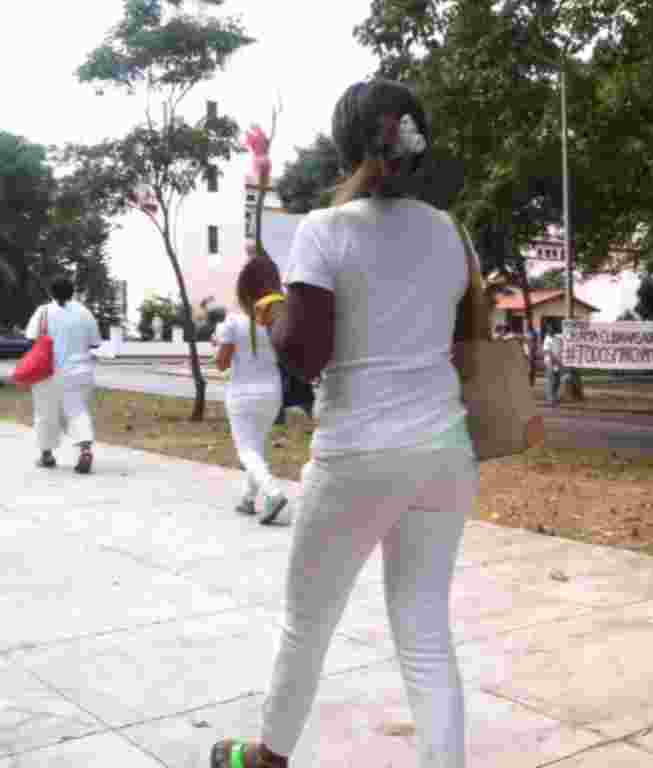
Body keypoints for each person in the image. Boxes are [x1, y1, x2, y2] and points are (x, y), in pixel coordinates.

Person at [210, 79, 480, 768]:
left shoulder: (324, 232)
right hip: (445, 451)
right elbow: (468, 341)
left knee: (307, 623)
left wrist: (265, 300)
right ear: (417, 142)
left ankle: (267, 757)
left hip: (358, 452)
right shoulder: (451, 231)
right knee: (424, 630)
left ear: (344, 145)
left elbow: (306, 355)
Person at [212, 261, 290, 525]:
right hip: (272, 392)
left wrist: (219, 344)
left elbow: (222, 363)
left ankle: (273, 493)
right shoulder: (279, 318)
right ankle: (248, 498)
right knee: (256, 445)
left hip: (242, 393)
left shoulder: (233, 321)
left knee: (246, 450)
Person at [24, 277, 102, 473]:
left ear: (51, 293)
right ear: (73, 292)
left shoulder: (43, 312)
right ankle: (85, 450)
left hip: (47, 372)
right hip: (80, 372)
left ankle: (47, 455)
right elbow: (95, 343)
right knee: (78, 411)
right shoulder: (85, 313)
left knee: (45, 413)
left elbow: (31, 337)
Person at [542, 329, 565, 404]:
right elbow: (547, 351)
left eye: (552, 329)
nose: (550, 331)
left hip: (558, 363)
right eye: (549, 330)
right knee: (551, 381)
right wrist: (554, 360)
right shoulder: (547, 339)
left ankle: (554, 396)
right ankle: (550, 398)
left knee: (557, 381)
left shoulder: (557, 338)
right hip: (550, 363)